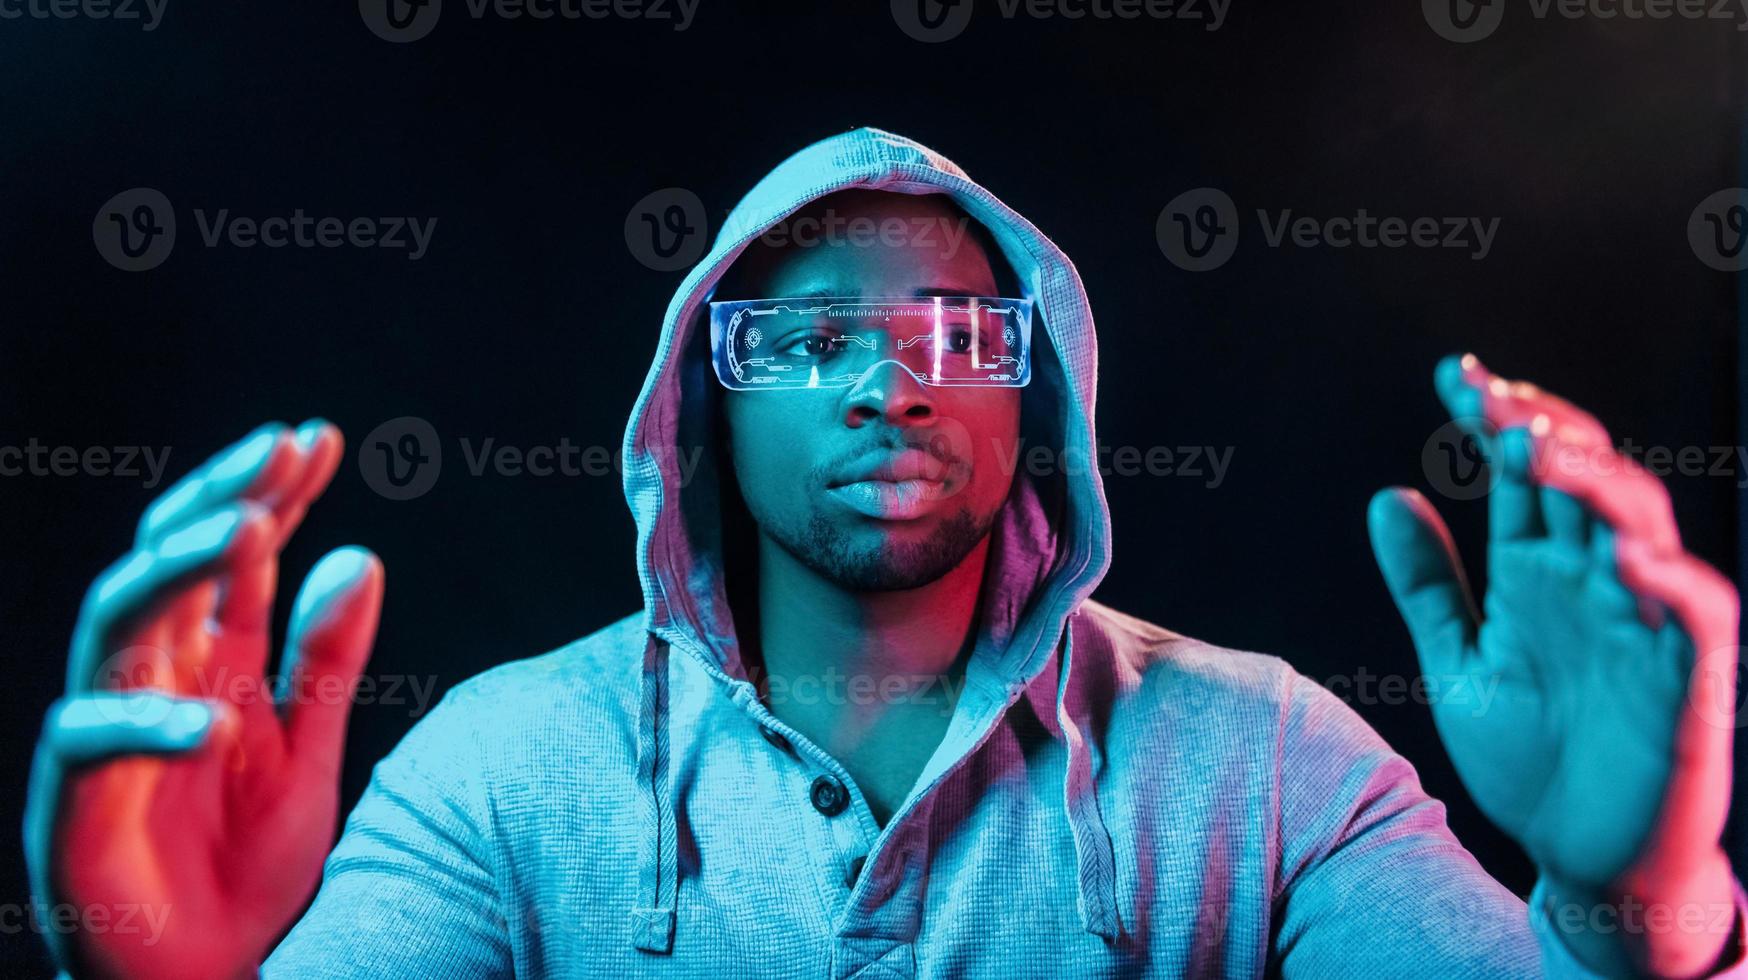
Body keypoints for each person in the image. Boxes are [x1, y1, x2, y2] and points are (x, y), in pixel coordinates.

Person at [24, 126, 1748, 978]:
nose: (888, 385)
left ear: (1045, 391)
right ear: (703, 403)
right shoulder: (501, 769)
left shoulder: (1267, 762)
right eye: (807, 343)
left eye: (957, 335)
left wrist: (1633, 898)